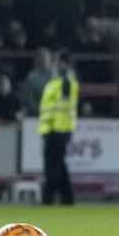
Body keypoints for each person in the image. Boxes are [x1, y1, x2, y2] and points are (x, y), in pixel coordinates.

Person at [38, 51, 79, 205]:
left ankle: (49, 197)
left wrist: (53, 128)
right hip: (55, 128)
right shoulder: (59, 81)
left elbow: (62, 107)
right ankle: (66, 197)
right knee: (59, 165)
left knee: (52, 165)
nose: (54, 64)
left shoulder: (65, 82)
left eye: (57, 61)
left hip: (58, 129)